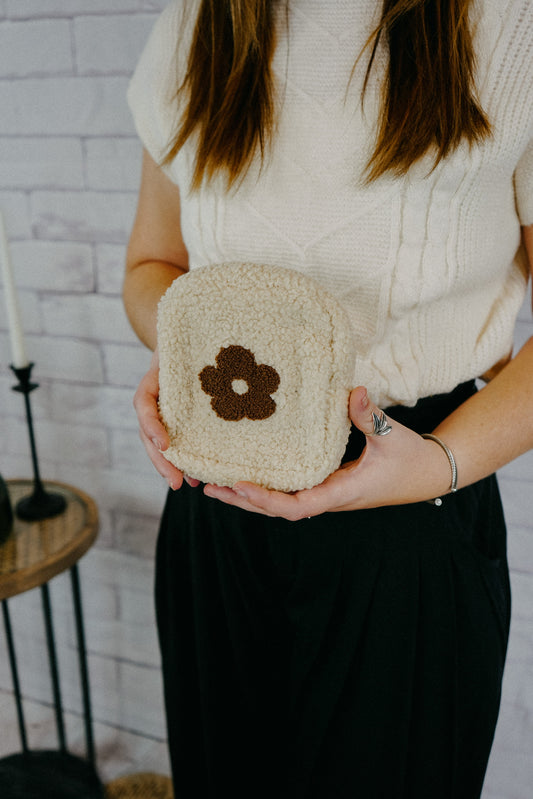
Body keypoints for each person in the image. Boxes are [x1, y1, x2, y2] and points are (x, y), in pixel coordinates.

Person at [123, 1, 533, 796]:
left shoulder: (510, 27)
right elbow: (152, 264)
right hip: (216, 510)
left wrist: (438, 464)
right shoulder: (198, 21)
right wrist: (179, 350)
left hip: (411, 517)